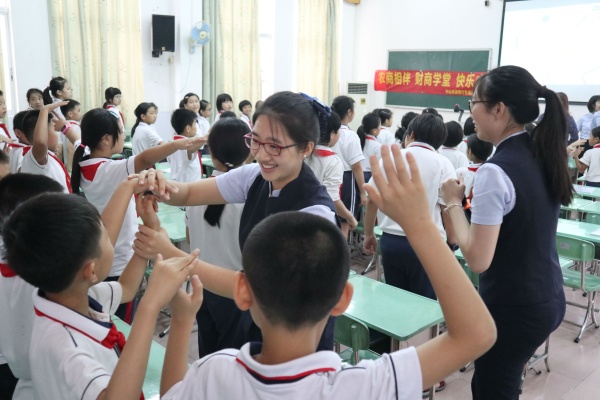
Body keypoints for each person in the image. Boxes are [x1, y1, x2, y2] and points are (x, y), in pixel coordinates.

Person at [158, 145, 497, 400]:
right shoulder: (361, 386)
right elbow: (477, 333)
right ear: (342, 298)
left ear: (243, 292)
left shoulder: (214, 370)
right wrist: (420, 225)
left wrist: (183, 319)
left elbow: (173, 393)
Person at [134, 91, 338, 351]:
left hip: (297, 342)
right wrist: (157, 185)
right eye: (256, 141)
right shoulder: (255, 177)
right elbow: (188, 193)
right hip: (259, 321)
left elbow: (254, 289)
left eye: (274, 146)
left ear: (306, 148)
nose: (261, 155)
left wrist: (172, 254)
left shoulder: (315, 215)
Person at [441, 65, 570, 400]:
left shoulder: (495, 172)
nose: (471, 112)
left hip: (515, 306)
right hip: (547, 294)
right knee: (502, 382)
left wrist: (452, 202)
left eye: (473, 103)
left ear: (498, 109)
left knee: (491, 387)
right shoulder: (540, 151)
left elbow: (477, 259)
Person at [1, 191, 200, 400]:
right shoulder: (66, 350)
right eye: (106, 237)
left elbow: (126, 287)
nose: (110, 240)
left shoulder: (71, 295)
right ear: (91, 270)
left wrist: (150, 229)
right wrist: (151, 304)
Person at [71, 108, 201, 322]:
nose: (123, 136)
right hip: (120, 261)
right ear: (106, 140)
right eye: (121, 131)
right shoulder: (109, 170)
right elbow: (145, 158)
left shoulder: (85, 163)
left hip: (106, 254)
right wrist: (178, 144)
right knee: (120, 320)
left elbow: (74, 137)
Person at [364, 113, 456, 302]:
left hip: (391, 242)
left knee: (396, 299)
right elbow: (447, 209)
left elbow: (372, 199)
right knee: (425, 303)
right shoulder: (443, 163)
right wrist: (451, 243)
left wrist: (368, 234)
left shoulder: (389, 159)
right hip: (427, 243)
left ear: (411, 134)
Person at [187, 117, 250, 357]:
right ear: (250, 151)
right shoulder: (250, 198)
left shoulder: (194, 192)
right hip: (233, 288)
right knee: (234, 357)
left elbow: (189, 235)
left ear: (211, 153)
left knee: (208, 351)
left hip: (201, 283)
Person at [306, 111, 358, 229]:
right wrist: (350, 218)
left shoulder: (301, 154)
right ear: (332, 134)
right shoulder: (333, 161)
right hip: (319, 220)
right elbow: (331, 197)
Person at [330, 95, 366, 237]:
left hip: (327, 174)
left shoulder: (327, 131)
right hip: (345, 179)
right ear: (349, 112)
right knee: (344, 222)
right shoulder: (350, 135)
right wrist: (363, 192)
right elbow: (356, 167)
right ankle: (342, 249)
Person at [19, 103, 76, 193]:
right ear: (44, 133)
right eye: (54, 130)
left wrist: (66, 128)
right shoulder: (33, 157)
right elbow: (40, 142)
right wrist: (44, 110)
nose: (58, 134)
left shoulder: (47, 156)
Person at [168, 108, 205, 183]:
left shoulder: (172, 143)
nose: (196, 127)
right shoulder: (184, 145)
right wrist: (207, 138)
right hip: (188, 185)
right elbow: (193, 147)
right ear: (188, 128)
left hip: (179, 183)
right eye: (195, 124)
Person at [357, 112, 382, 182]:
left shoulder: (359, 140)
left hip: (358, 175)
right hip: (369, 176)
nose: (380, 128)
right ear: (374, 130)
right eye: (380, 126)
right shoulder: (377, 145)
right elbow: (380, 166)